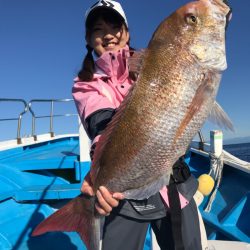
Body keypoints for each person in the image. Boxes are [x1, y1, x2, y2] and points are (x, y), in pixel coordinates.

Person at [72, 1, 232, 249]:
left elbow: (202, 37)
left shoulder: (156, 58)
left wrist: (219, 13)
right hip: (124, 196)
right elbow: (100, 122)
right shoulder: (86, 82)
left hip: (173, 186)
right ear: (88, 37)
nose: (108, 34)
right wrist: (99, 177)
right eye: (98, 29)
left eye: (115, 26)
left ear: (127, 31)